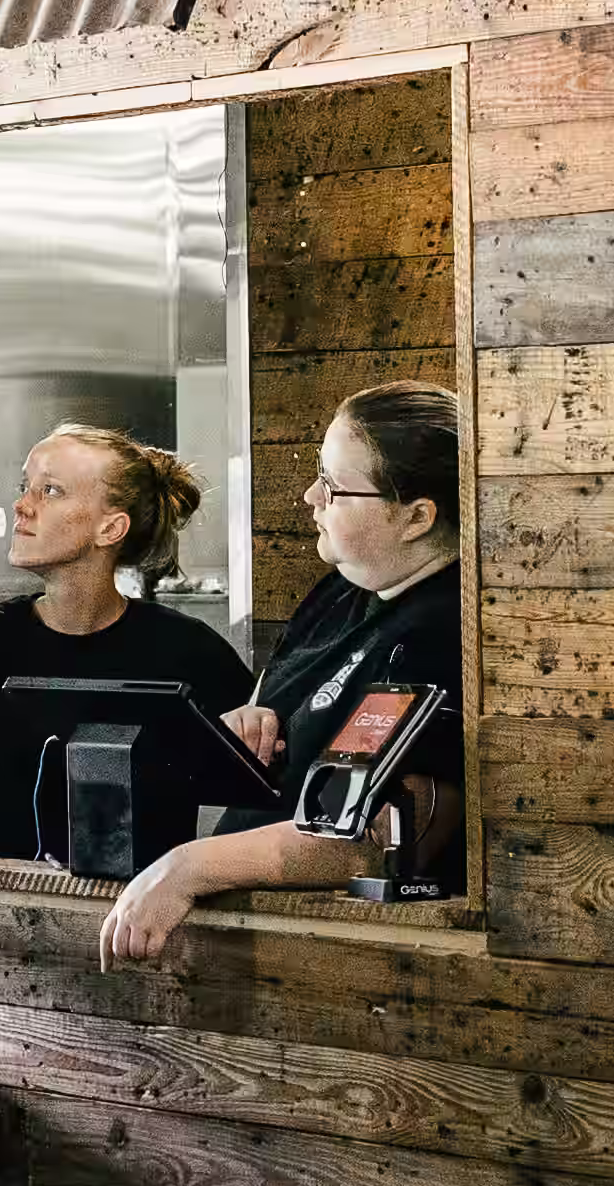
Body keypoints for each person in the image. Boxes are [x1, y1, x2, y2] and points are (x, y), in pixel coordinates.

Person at [101, 381, 470, 966]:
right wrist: (250, 725)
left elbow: (374, 843)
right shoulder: (340, 591)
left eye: (333, 486)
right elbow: (281, 711)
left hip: (336, 959)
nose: (308, 497)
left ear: (416, 516)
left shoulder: (440, 633)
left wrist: (188, 866)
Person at [0, 424, 255, 866]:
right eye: (25, 487)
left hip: (140, 927)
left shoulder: (190, 652)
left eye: (50, 491)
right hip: (8, 919)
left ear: (110, 528)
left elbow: (270, 793)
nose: (21, 506)